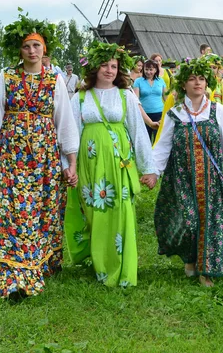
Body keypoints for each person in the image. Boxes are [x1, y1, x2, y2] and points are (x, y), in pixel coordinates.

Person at [0, 14, 79, 299]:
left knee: (43, 210)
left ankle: (45, 261)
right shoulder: (7, 76)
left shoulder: (54, 80)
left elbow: (64, 122)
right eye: (26, 46)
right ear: (19, 50)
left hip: (44, 159)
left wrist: (71, 162)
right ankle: (16, 278)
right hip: (12, 158)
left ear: (45, 49)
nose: (31, 51)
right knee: (16, 212)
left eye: (36, 46)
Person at [64, 41, 157, 289]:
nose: (109, 70)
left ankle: (123, 266)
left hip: (118, 164)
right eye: (104, 65)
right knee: (95, 213)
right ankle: (100, 263)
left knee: (120, 209)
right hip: (90, 164)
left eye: (114, 66)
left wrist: (149, 168)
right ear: (94, 68)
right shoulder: (81, 98)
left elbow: (138, 133)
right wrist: (69, 164)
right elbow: (71, 132)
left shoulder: (126, 95)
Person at [152, 57, 223, 287]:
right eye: (191, 79)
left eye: (201, 78)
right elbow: (163, 145)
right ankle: (189, 258)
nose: (197, 83)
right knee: (188, 221)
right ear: (183, 85)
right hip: (181, 176)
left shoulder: (216, 110)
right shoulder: (175, 113)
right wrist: (154, 172)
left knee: (209, 221)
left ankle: (205, 270)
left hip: (210, 178)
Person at [133, 59, 167, 142]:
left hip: (159, 114)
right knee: (145, 140)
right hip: (144, 114)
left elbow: (166, 98)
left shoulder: (161, 81)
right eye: (146, 69)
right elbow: (135, 99)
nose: (148, 72)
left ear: (155, 70)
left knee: (158, 140)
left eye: (151, 69)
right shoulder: (138, 81)